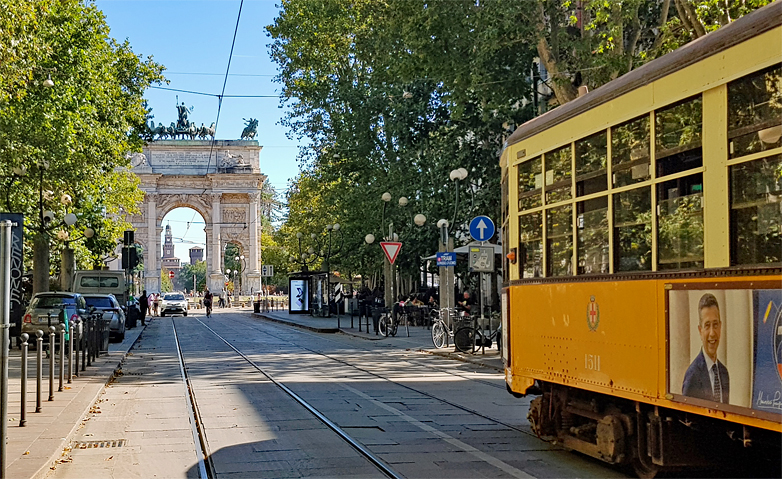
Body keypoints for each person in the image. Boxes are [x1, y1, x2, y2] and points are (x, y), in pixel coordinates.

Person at [682, 293, 730, 403]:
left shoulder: (724, 373)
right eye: (707, 325)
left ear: (720, 327)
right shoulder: (692, 376)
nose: (712, 333)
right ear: (700, 331)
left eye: (715, 324)